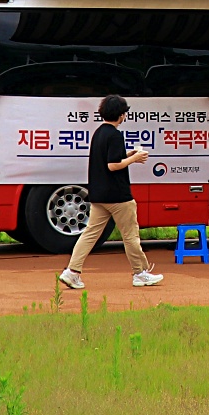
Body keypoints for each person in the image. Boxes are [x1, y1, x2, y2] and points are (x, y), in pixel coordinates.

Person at [58, 95, 163, 289]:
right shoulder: (115, 135)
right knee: (131, 235)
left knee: (90, 234)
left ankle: (72, 271)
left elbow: (110, 159)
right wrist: (135, 158)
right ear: (121, 115)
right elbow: (113, 165)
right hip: (118, 195)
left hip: (99, 193)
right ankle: (140, 273)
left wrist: (128, 155)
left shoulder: (99, 132)